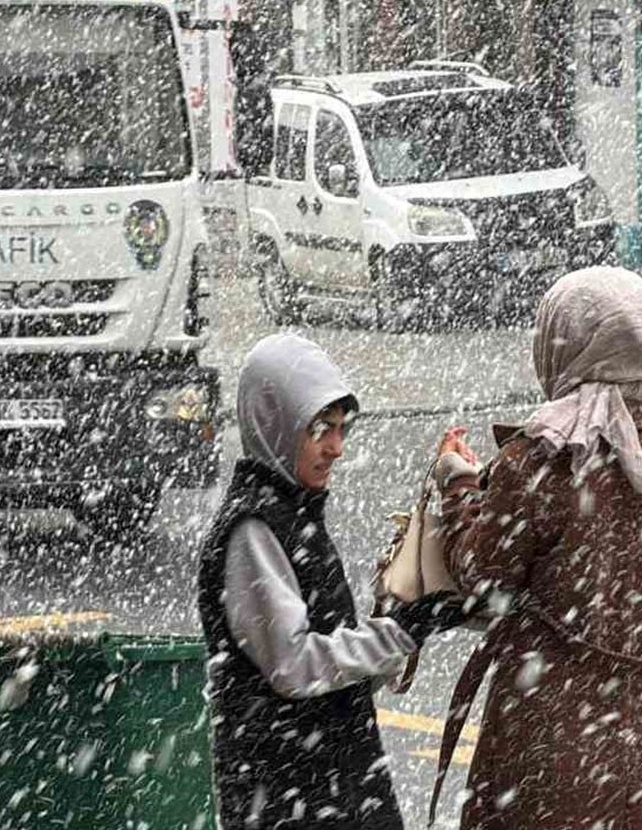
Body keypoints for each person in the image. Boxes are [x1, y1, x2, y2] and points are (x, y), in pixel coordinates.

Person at [432, 266, 642, 830]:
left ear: (558, 343)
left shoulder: (539, 461)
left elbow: (482, 577)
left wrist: (460, 490)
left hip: (555, 753)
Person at [197, 333, 460, 829]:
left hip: (331, 783)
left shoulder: (294, 514)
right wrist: (397, 633)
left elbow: (333, 661)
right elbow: (293, 666)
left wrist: (405, 628)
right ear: (276, 424)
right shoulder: (254, 529)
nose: (336, 448)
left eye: (342, 429)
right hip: (290, 791)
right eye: (320, 430)